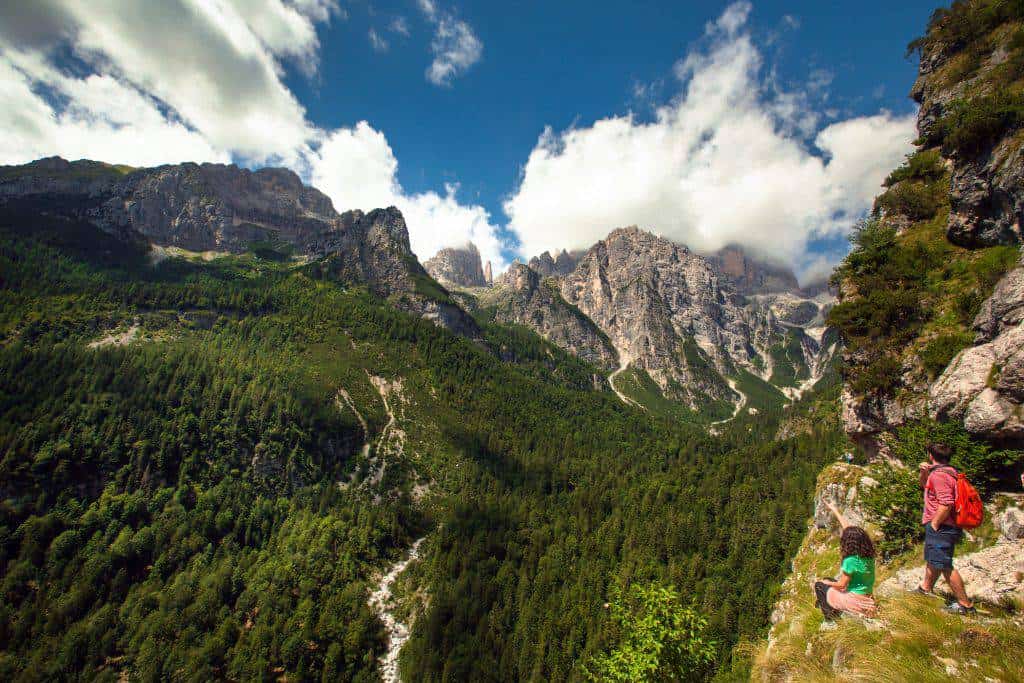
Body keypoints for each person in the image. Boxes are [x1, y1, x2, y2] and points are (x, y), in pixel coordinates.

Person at [912, 442, 975, 614]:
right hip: (945, 525)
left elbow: (946, 503)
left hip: (942, 526)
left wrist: (934, 524)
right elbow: (924, 486)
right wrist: (923, 473)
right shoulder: (948, 472)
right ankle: (925, 589)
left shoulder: (940, 476)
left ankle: (965, 605)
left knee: (945, 565)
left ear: (931, 455)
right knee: (935, 559)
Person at [814, 501, 877, 619]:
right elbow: (847, 528)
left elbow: (842, 584)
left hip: (854, 601)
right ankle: (828, 604)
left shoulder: (850, 561)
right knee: (828, 580)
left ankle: (830, 617)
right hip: (866, 596)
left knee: (820, 585)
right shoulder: (869, 556)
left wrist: (826, 583)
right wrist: (834, 509)